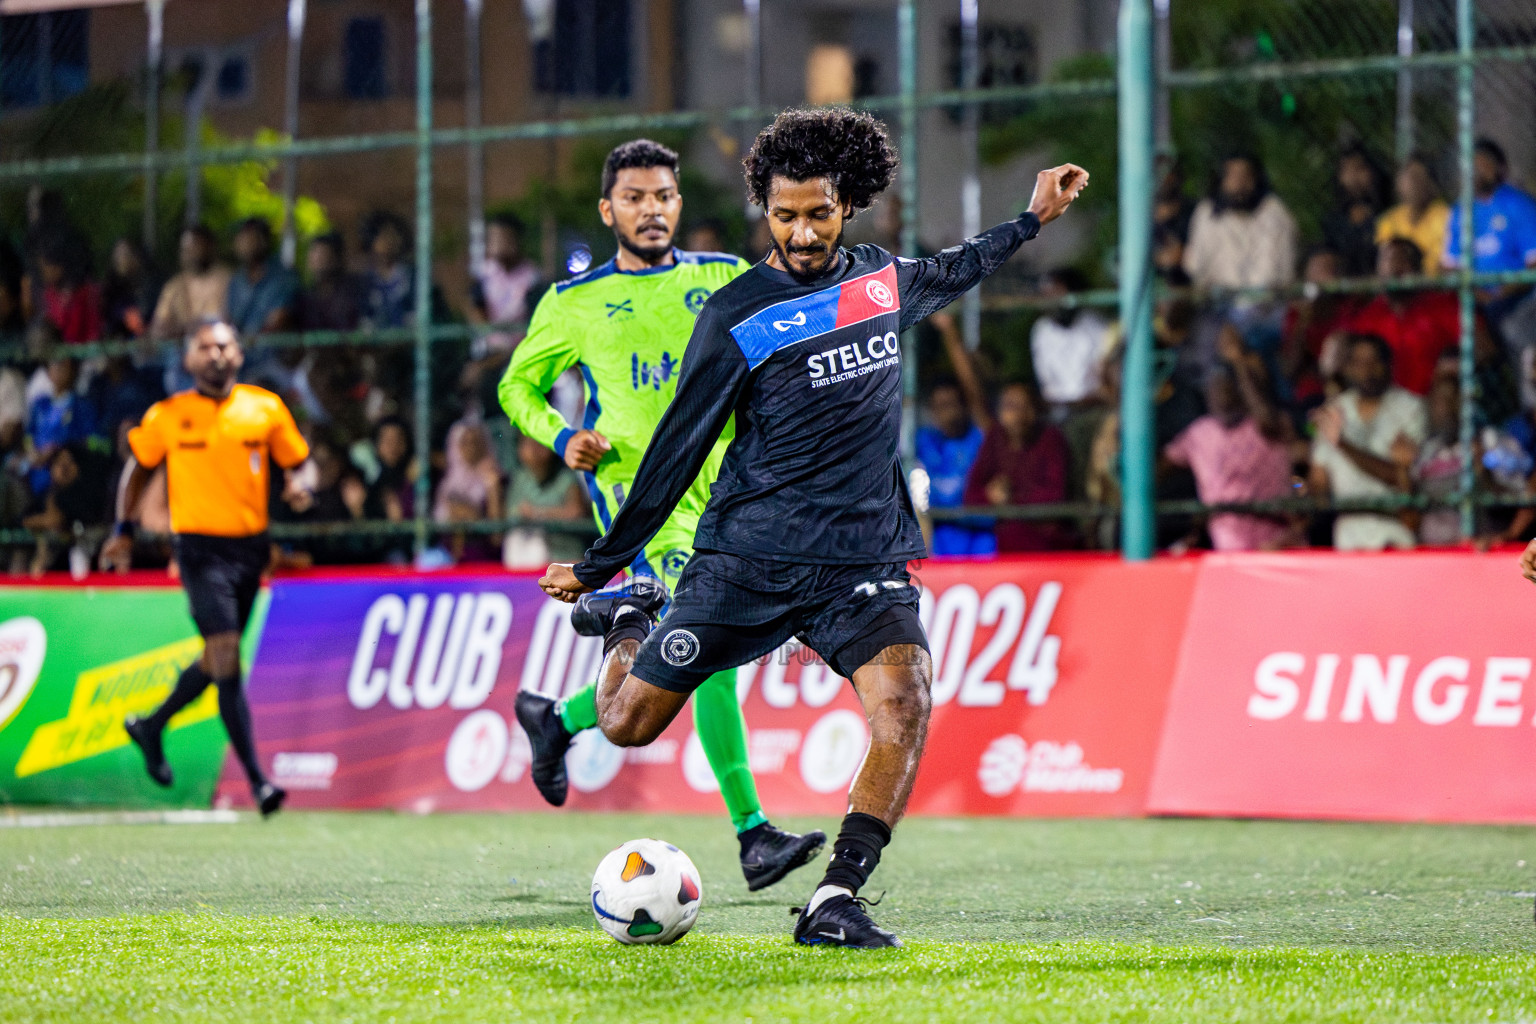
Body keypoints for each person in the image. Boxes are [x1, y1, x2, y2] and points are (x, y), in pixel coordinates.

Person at [535, 108, 1086, 947]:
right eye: (784, 214)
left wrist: (1032, 219)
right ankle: (630, 623)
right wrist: (605, 565)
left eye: (818, 213)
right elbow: (678, 452)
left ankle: (835, 899)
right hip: (746, 558)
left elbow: (958, 266)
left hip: (861, 559)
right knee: (625, 725)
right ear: (765, 208)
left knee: (904, 705)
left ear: (849, 204)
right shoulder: (735, 315)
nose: (800, 232)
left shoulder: (882, 282)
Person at [498, 138, 825, 893]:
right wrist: (563, 434)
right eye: (637, 198)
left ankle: (559, 718)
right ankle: (752, 835)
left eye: (665, 197)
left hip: (735, 495)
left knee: (703, 650)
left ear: (680, 205)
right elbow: (517, 388)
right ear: (609, 209)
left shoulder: (723, 279)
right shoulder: (572, 303)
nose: (653, 210)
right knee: (706, 645)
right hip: (646, 505)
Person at [101, 320, 312, 817]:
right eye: (205, 347)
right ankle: (259, 783)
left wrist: (300, 484)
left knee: (219, 659)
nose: (216, 354)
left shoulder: (265, 408)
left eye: (224, 345)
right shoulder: (170, 415)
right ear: (188, 359)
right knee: (227, 658)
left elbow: (299, 461)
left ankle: (151, 726)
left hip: (251, 550)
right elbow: (137, 468)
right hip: (197, 551)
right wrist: (123, 530)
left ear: (239, 353)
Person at [1164, 328, 1296, 551]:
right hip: (1226, 549)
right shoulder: (1199, 433)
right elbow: (1159, 467)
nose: (1219, 394)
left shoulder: (1267, 424)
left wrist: (1238, 363)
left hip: (1276, 544)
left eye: (1226, 386)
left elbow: (1270, 424)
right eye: (1213, 388)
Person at [1309, 333, 1426, 551]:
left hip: (1395, 533)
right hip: (1348, 536)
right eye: (1358, 363)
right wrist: (1298, 485)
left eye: (1374, 361)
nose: (1367, 369)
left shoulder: (1411, 407)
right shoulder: (1335, 410)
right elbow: (1318, 482)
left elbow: (1400, 476)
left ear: (1389, 365)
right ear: (1348, 368)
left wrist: (1343, 445)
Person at [962, 381, 1072, 552]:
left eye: (1026, 406)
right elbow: (971, 495)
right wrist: (990, 495)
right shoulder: (995, 439)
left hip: (1047, 547)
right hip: (1004, 550)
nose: (1018, 415)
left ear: (1037, 410)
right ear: (1000, 412)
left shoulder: (1051, 439)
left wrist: (1011, 499)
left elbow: (1055, 495)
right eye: (1011, 406)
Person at [917, 313, 992, 556]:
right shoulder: (924, 442)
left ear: (963, 405)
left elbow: (973, 390)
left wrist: (950, 332)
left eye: (951, 403)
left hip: (981, 540)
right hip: (940, 544)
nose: (946, 412)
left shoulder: (979, 437)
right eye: (939, 406)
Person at [1443, 139, 1536, 329]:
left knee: (1509, 323)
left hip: (1515, 295)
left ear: (1500, 168)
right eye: (1472, 165)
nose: (1476, 171)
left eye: (1483, 164)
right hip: (1473, 296)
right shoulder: (1460, 210)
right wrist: (1477, 294)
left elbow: (1533, 264)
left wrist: (1501, 294)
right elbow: (1450, 266)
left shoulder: (1519, 205)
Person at [1183, 154, 1298, 290]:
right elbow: (1195, 265)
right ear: (1222, 180)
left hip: (1267, 302)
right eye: (1233, 176)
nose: (1239, 183)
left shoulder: (1275, 212)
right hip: (1216, 303)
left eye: (1245, 176)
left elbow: (1278, 271)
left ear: (1256, 179)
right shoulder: (1207, 213)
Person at [1029, 266, 1109, 417]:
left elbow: (1103, 384)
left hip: (1093, 411)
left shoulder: (1097, 327)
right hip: (1056, 413)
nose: (1053, 300)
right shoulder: (1041, 330)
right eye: (1047, 295)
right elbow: (1046, 383)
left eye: (1058, 293)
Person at [503, 432, 589, 568]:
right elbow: (512, 513)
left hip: (565, 555)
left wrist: (538, 513)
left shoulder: (566, 477)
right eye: (528, 443)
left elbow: (576, 511)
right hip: (529, 556)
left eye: (539, 443)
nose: (534, 449)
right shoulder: (520, 478)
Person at [150, 225, 231, 341]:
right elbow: (158, 327)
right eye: (185, 249)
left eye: (195, 246)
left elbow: (232, 321)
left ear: (210, 246)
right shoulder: (174, 286)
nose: (189, 253)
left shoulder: (229, 279)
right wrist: (184, 329)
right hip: (180, 351)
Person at [1376, 155, 1450, 276]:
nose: (1415, 184)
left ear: (1432, 183)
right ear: (1398, 183)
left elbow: (1444, 263)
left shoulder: (1445, 215)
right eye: (1410, 177)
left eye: (1420, 177)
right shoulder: (1389, 220)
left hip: (1434, 286)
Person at [1322, 145, 1388, 278]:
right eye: (1347, 170)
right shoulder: (1333, 221)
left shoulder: (1387, 218)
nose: (1353, 176)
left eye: (1359, 168)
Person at [226, 218, 298, 339]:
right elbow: (231, 320)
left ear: (263, 241)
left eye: (248, 239)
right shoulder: (237, 280)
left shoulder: (284, 277)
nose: (242, 245)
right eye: (240, 239)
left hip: (273, 351)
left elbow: (278, 321)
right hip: (241, 351)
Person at [102, 237, 161, 340]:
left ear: (137, 257)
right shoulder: (110, 289)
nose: (122, 259)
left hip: (150, 341)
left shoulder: (151, 286)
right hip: (120, 344)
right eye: (118, 255)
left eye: (126, 254)